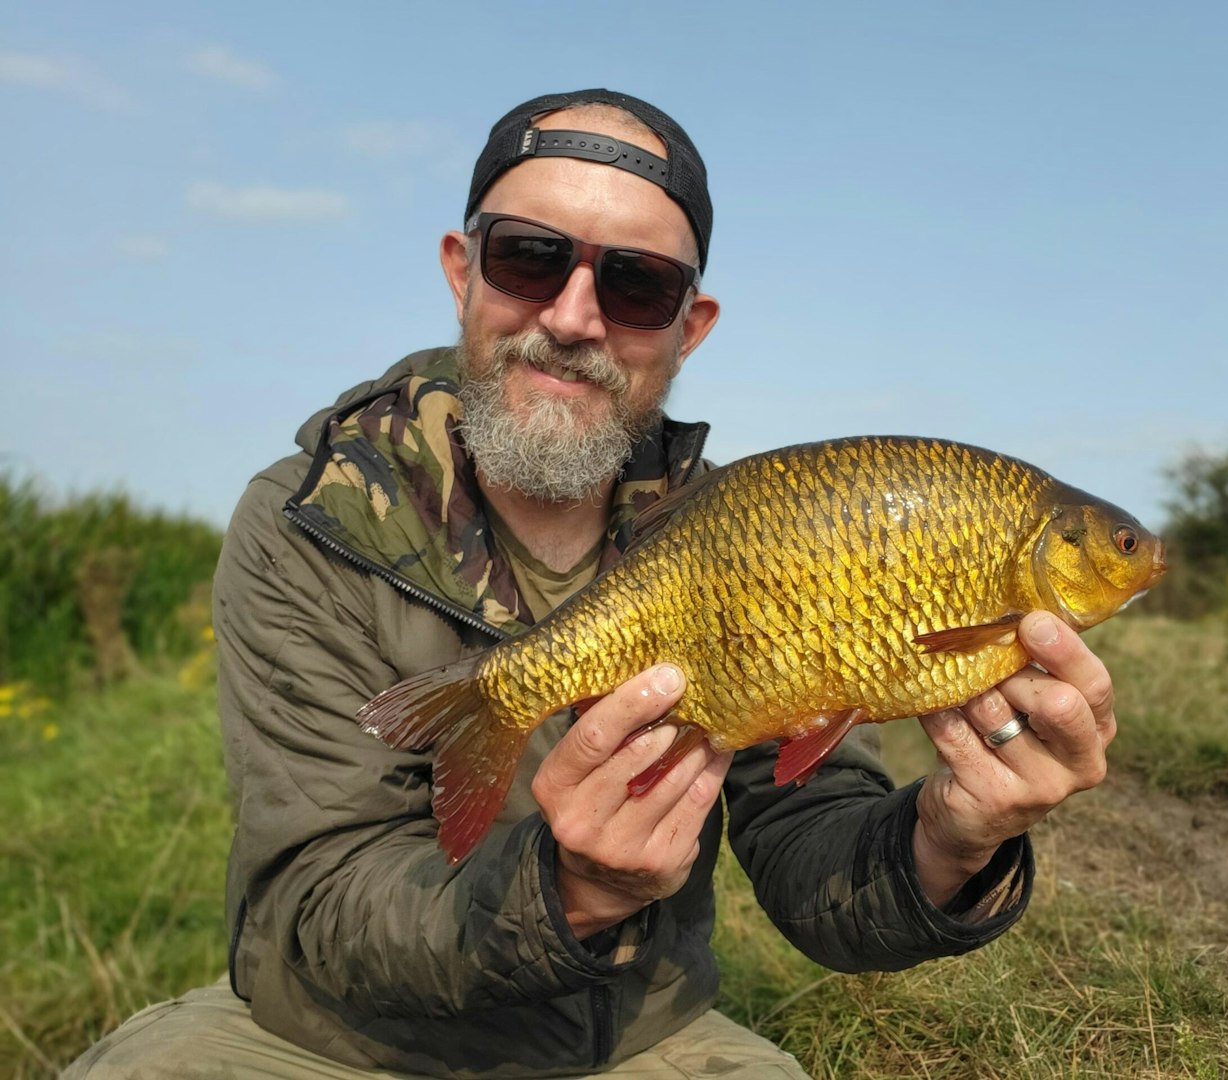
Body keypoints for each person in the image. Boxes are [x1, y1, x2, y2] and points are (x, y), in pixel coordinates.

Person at [65, 89, 1115, 1080]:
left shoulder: (752, 533)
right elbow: (322, 903)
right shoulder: (311, 520)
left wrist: (950, 835)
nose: (572, 317)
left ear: (688, 325)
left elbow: (812, 849)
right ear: (460, 268)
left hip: (633, 1039)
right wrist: (563, 890)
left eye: (634, 284)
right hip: (330, 1041)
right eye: (529, 259)